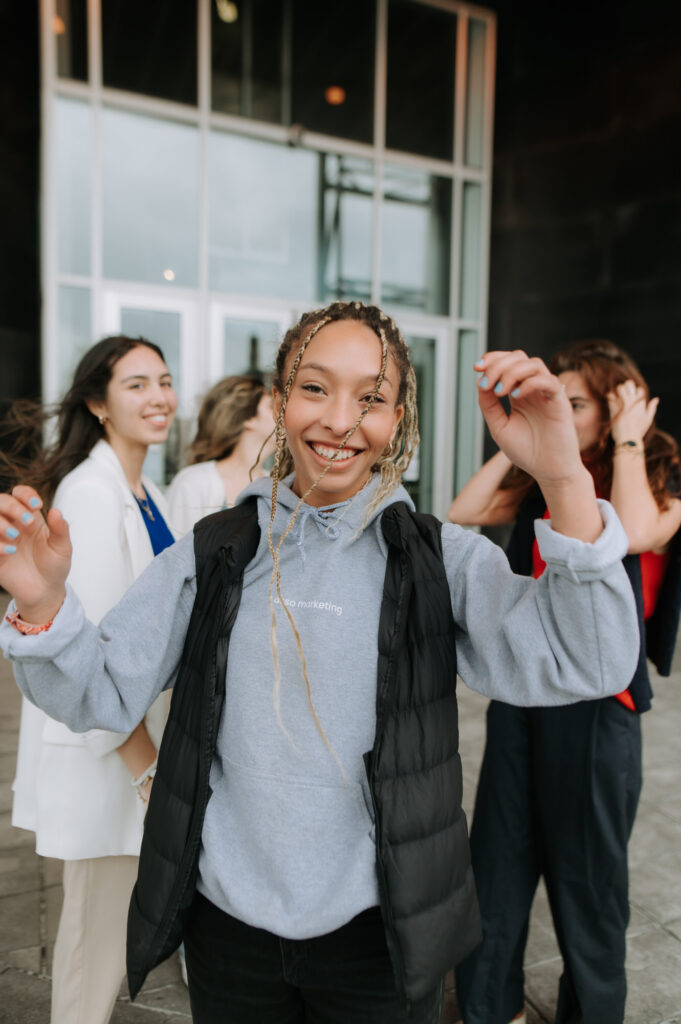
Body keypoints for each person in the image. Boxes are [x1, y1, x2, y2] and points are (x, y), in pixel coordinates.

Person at [0, 305, 641, 1024]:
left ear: (396, 419)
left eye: (370, 397)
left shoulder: (439, 559)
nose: (340, 420)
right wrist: (46, 608)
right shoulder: (214, 549)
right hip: (227, 929)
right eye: (313, 388)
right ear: (276, 402)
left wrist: (559, 473)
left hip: (379, 934)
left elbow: (588, 659)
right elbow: (101, 694)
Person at [449, 340, 681, 1024]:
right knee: (495, 869)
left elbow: (634, 531)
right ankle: (488, 1010)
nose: (561, 409)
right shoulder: (548, 478)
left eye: (576, 402)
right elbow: (465, 511)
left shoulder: (659, 470)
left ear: (617, 408)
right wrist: (521, 439)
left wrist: (631, 442)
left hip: (597, 711)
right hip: (524, 698)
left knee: (587, 891)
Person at [4, 336, 177, 1024]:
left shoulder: (147, 492)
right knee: (91, 945)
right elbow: (93, 654)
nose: (158, 397)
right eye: (136, 385)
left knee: (110, 934)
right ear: (98, 404)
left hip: (136, 739)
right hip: (114, 749)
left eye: (163, 381)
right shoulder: (90, 493)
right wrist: (147, 774)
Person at [166, 374, 275, 535]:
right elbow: (174, 556)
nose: (284, 414)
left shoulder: (278, 487)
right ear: (248, 418)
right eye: (272, 407)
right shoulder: (193, 483)